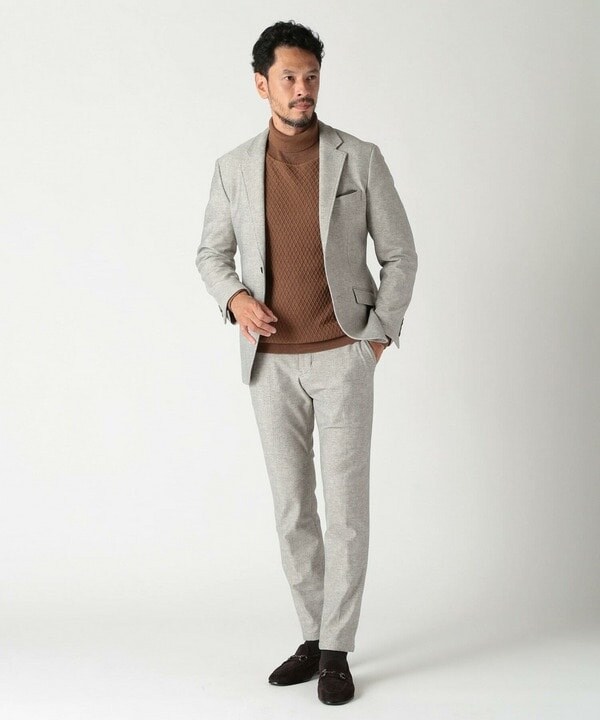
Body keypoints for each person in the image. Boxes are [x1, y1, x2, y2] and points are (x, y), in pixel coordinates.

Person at [196, 19, 418, 705]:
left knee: (346, 512)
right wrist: (235, 298)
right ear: (261, 84)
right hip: (270, 366)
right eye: (289, 77)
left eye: (311, 76)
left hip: (343, 356)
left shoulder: (359, 158)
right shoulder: (233, 167)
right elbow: (210, 255)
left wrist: (376, 337)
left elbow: (401, 254)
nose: (303, 88)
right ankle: (312, 634)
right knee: (293, 509)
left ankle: (337, 650)